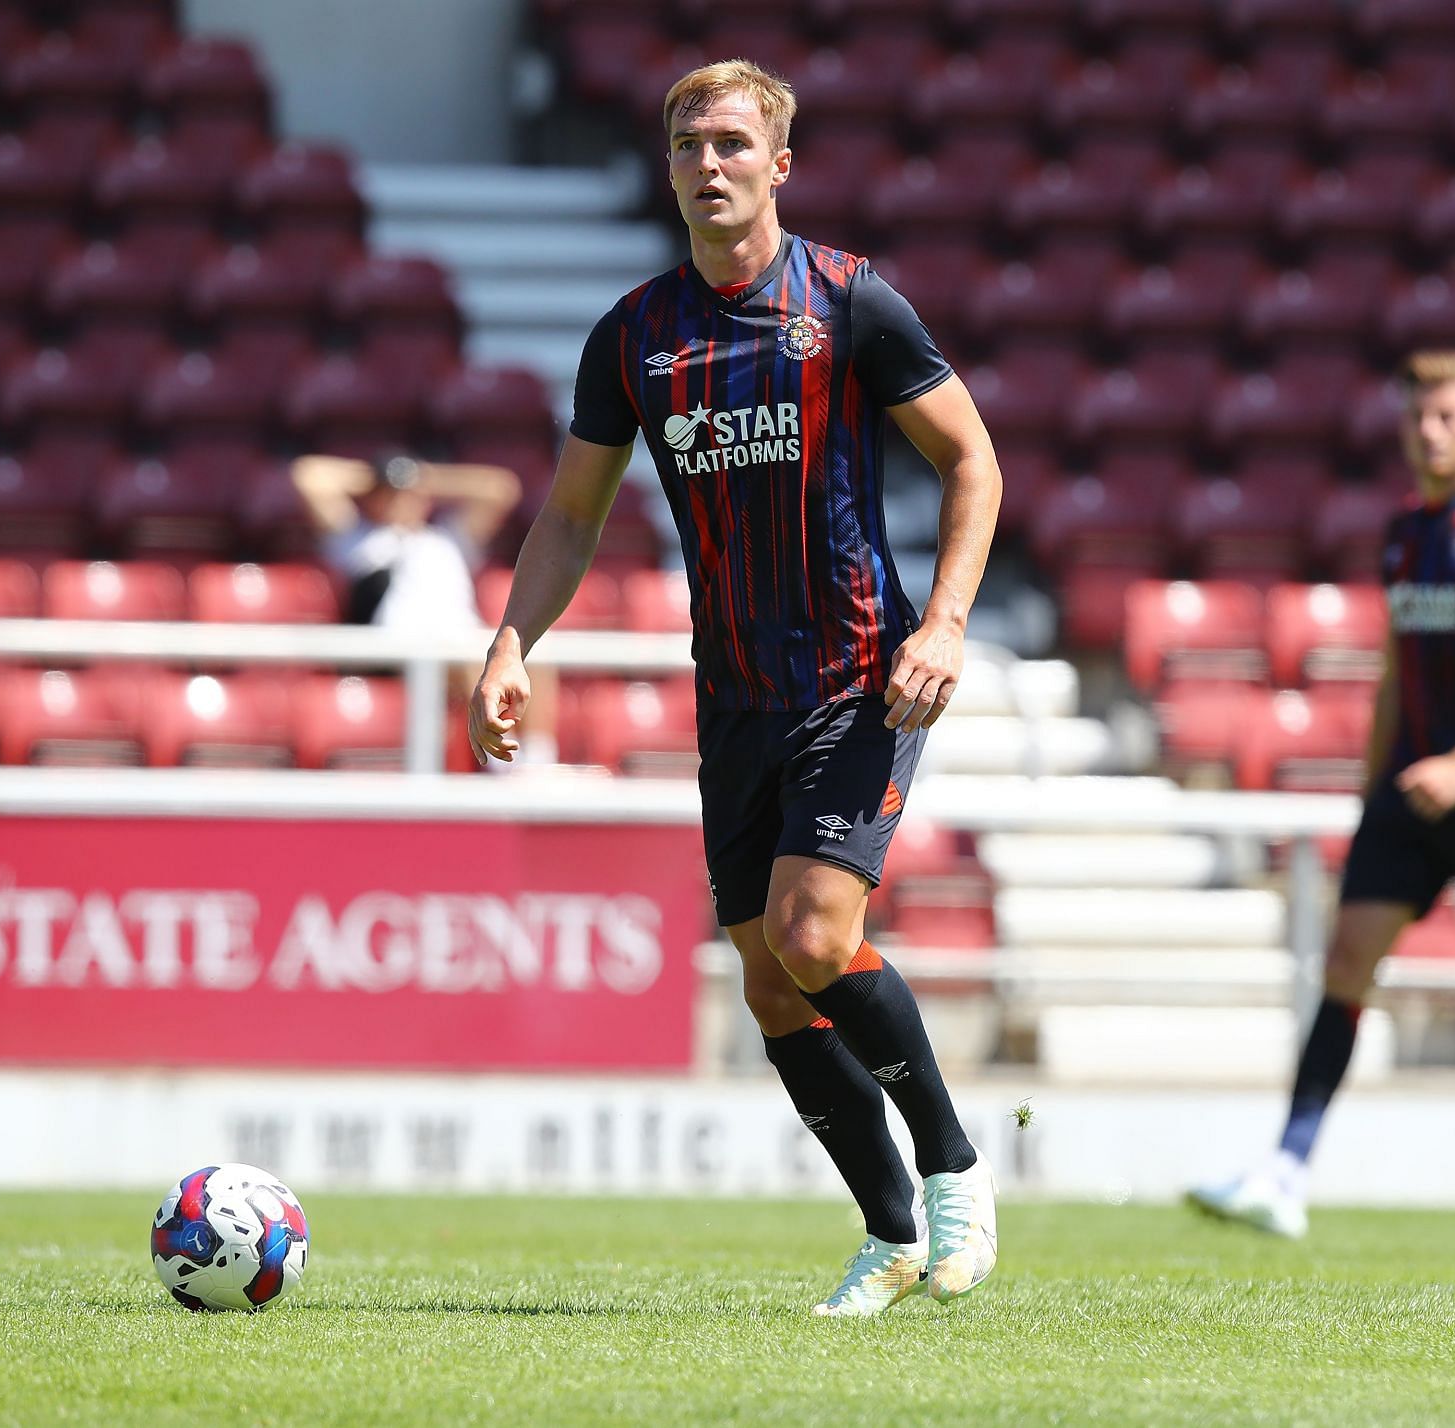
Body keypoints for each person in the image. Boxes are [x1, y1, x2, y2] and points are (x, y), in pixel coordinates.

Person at [465, 59, 1004, 1315]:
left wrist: (949, 624)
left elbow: (973, 461)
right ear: (665, 169)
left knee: (818, 934)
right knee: (770, 978)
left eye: (731, 144)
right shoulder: (636, 337)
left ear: (778, 165)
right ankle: (887, 1235)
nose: (709, 165)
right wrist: (509, 644)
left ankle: (956, 1171)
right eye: (688, 146)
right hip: (737, 697)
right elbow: (571, 514)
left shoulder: (851, 305)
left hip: (860, 675)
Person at [1189, 350, 1455, 1252]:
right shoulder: (1405, 529)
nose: (1431, 431)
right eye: (1419, 416)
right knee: (1346, 962)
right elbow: (1395, 670)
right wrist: (1378, 782)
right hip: (1409, 792)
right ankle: (1285, 1173)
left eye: (1448, 415)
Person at [293, 450, 558, 766]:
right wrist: (382, 475)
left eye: (407, 495)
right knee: (478, 666)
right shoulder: (358, 540)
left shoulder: (449, 537)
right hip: (399, 645)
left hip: (461, 638)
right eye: (388, 496)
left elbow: (499, 487)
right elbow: (309, 476)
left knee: (536, 657)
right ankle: (504, 765)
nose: (399, 501)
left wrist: (421, 477)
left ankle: (539, 761)